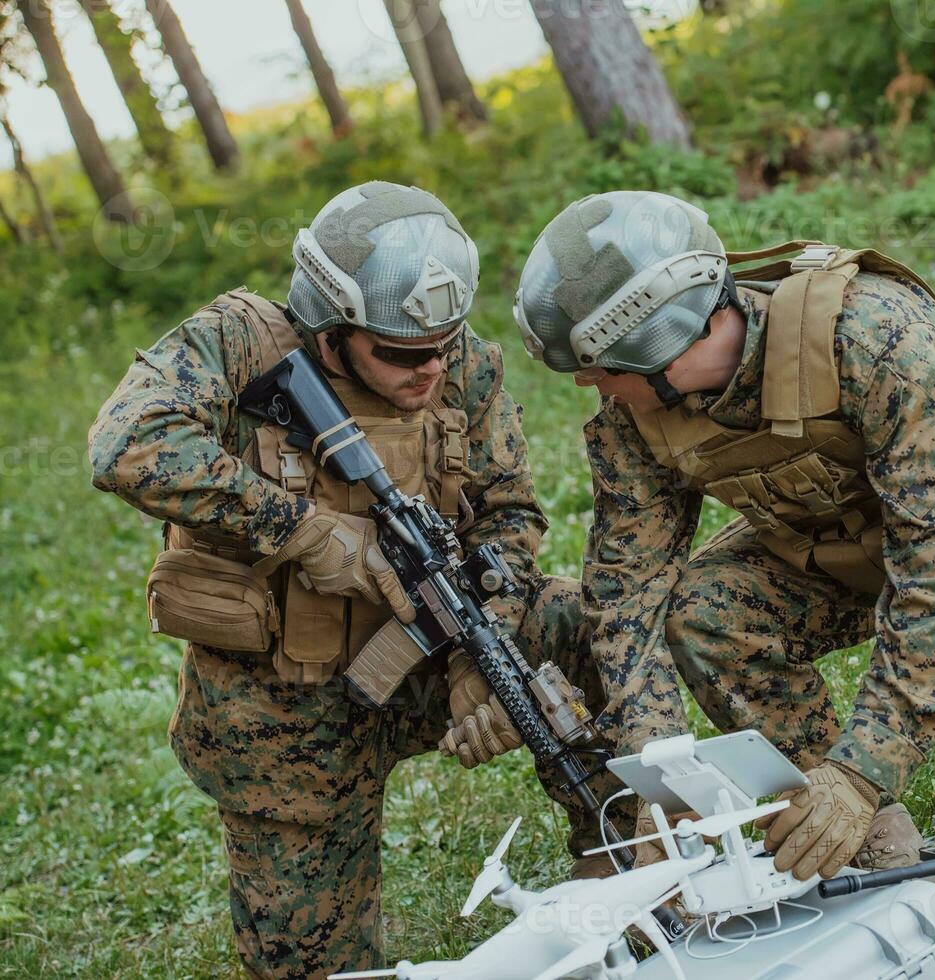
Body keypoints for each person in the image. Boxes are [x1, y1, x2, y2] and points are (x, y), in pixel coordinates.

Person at [511, 190, 935, 885]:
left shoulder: (872, 340)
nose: (590, 388)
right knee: (705, 612)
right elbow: (626, 594)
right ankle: (856, 832)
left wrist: (863, 769)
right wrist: (663, 786)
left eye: (596, 371)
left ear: (657, 346)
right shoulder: (632, 416)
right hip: (844, 538)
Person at [88, 181, 603, 979]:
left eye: (443, 344)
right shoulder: (238, 344)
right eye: (401, 354)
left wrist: (478, 653)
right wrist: (302, 530)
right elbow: (125, 444)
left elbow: (512, 513)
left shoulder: (451, 357)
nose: (431, 368)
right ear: (330, 329)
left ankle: (617, 854)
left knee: (584, 625)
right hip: (283, 719)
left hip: (426, 660)